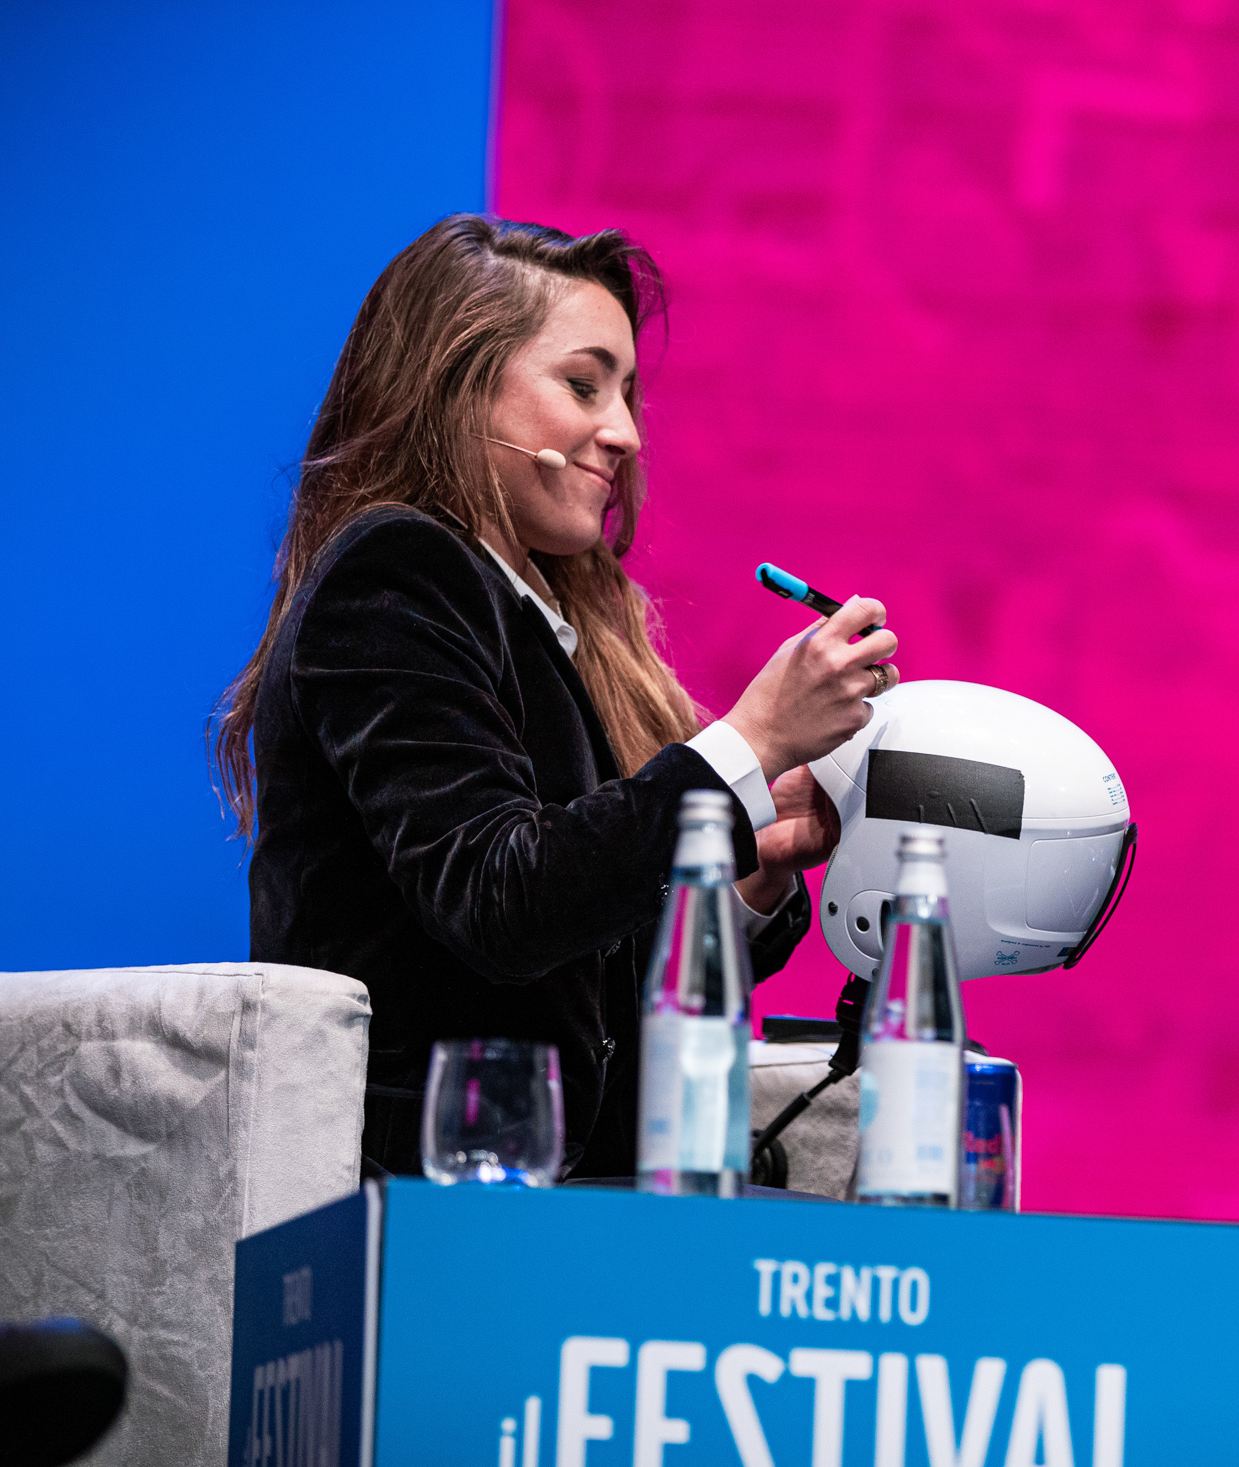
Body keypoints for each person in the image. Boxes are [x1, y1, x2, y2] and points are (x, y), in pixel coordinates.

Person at [214, 216, 899, 1178]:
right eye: (582, 385)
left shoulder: (540, 619)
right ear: (456, 386)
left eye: (626, 394)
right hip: (426, 1213)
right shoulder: (399, 572)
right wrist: (749, 740)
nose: (621, 431)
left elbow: (599, 975)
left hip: (577, 1212)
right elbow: (503, 901)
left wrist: (753, 864)